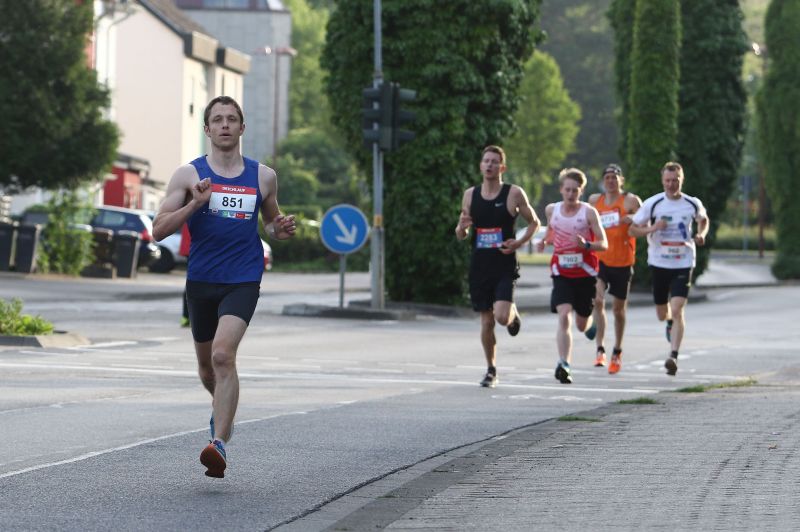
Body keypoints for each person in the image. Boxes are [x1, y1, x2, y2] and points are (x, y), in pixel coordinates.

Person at [153, 95, 296, 478]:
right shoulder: (188, 175)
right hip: (201, 279)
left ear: (242, 127)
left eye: (232, 119)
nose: (225, 125)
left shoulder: (263, 176)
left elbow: (270, 223)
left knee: (222, 355)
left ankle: (218, 441)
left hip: (243, 277)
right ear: (207, 129)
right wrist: (195, 205)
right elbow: (158, 229)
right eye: (217, 120)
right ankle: (222, 415)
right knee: (206, 371)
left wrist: (278, 230)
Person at [455, 145, 540, 388]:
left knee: (501, 317)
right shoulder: (470, 195)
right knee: (486, 321)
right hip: (480, 264)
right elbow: (461, 233)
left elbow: (534, 222)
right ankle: (491, 370)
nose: (490, 165)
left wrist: (519, 242)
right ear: (481, 165)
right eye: (486, 161)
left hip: (504, 263)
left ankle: (513, 317)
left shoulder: (513, 193)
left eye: (494, 162)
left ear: (502, 167)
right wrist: (462, 227)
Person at [629, 161, 708, 376]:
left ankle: (673, 355)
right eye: (667, 181)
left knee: (678, 309)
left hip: (683, 261)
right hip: (660, 262)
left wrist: (701, 234)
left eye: (675, 181)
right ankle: (669, 324)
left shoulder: (691, 203)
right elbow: (632, 230)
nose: (671, 185)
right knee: (662, 312)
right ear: (662, 181)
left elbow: (703, 219)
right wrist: (653, 228)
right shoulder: (653, 204)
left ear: (681, 181)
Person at [536, 168, 607, 384]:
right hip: (561, 272)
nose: (570, 194)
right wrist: (544, 241)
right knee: (564, 315)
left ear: (581, 191)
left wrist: (586, 245)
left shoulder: (588, 213)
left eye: (575, 190)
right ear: (561, 190)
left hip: (585, 273)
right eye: (567, 190)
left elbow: (603, 244)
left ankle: (590, 322)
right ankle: (564, 363)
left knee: (581, 324)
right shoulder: (552, 210)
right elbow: (552, 232)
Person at [586, 164, 641, 374]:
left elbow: (646, 216)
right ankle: (600, 349)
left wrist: (633, 218)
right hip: (600, 260)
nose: (610, 181)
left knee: (618, 310)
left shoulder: (630, 200)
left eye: (614, 177)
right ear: (603, 180)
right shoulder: (594, 201)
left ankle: (617, 350)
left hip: (623, 262)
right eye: (607, 177)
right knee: (597, 300)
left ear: (621, 180)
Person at [179, 223, 191, 327]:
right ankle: (188, 316)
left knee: (190, 283)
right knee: (193, 284)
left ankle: (186, 316)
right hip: (194, 248)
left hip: (189, 247)